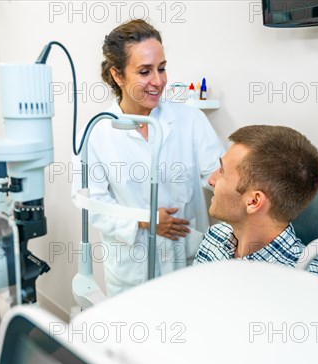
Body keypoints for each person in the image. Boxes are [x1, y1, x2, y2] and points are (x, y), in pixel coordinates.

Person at [74, 19, 225, 296]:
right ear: (118, 75)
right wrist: (146, 219)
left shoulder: (190, 120)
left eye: (162, 68)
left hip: (187, 258)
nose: (158, 81)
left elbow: (219, 177)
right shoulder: (96, 132)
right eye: (145, 71)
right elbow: (92, 203)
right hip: (133, 267)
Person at [193, 125, 318, 278]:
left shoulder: (309, 281)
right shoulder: (215, 237)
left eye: (222, 171)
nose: (211, 180)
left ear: (253, 201)